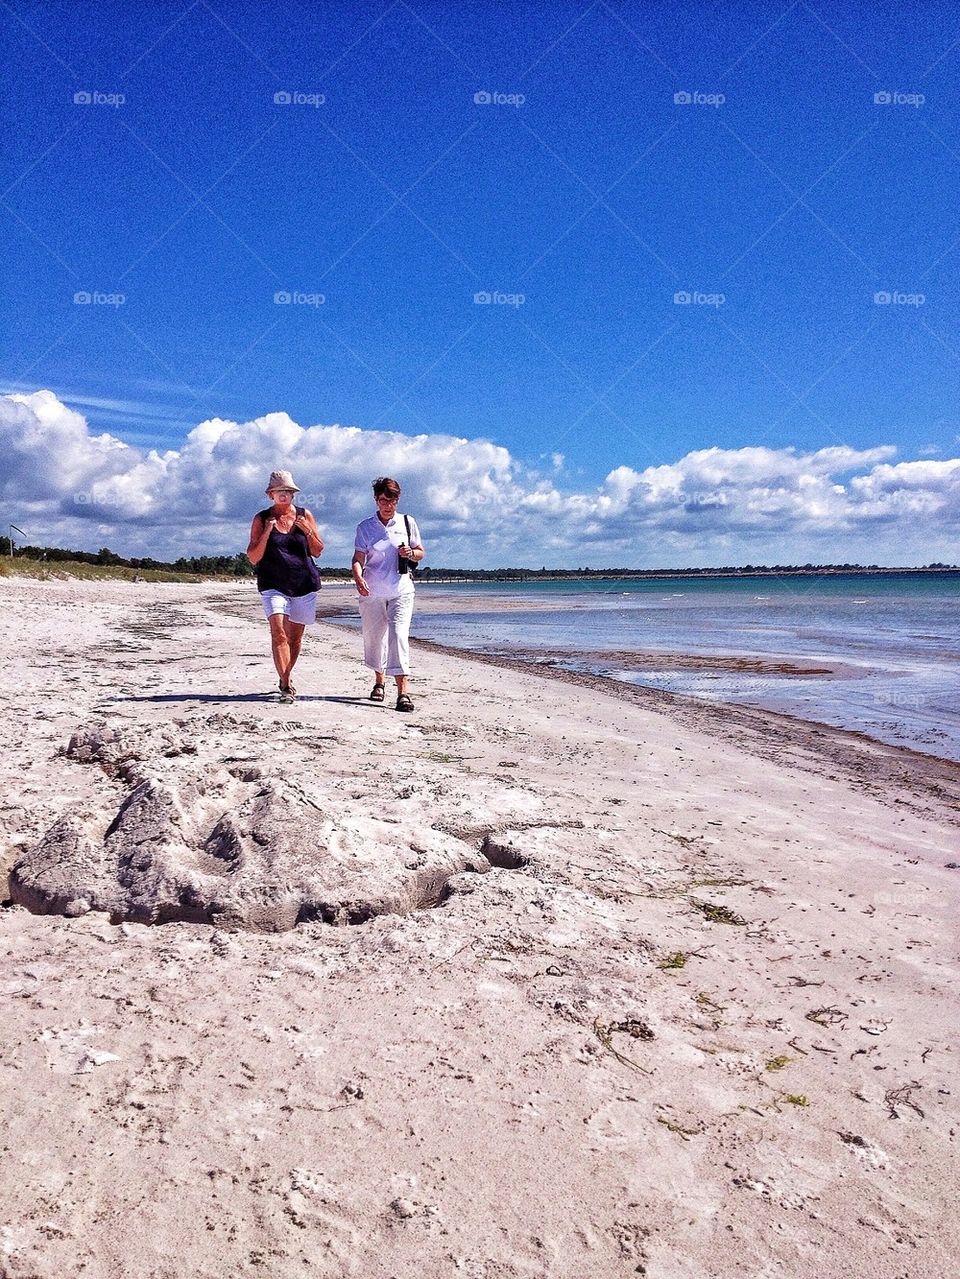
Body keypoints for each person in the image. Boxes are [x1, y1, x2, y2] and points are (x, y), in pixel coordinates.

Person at [246, 469, 324, 703]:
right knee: (278, 631)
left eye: (288, 491)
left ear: (293, 494)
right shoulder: (261, 519)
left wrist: (307, 531)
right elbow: (253, 557)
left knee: (295, 639)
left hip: (303, 583)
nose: (284, 494)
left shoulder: (304, 515)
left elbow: (318, 551)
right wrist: (267, 531)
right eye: (279, 491)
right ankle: (287, 686)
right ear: (270, 494)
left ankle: (284, 678)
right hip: (273, 583)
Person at [352, 476, 424, 712]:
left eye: (392, 501)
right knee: (375, 638)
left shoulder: (407, 522)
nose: (387, 505)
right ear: (376, 500)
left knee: (398, 635)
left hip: (401, 590)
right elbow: (358, 558)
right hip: (372, 592)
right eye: (383, 500)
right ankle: (379, 681)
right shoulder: (365, 527)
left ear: (397, 500)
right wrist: (358, 577)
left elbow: (420, 552)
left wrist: (410, 552)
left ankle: (403, 693)